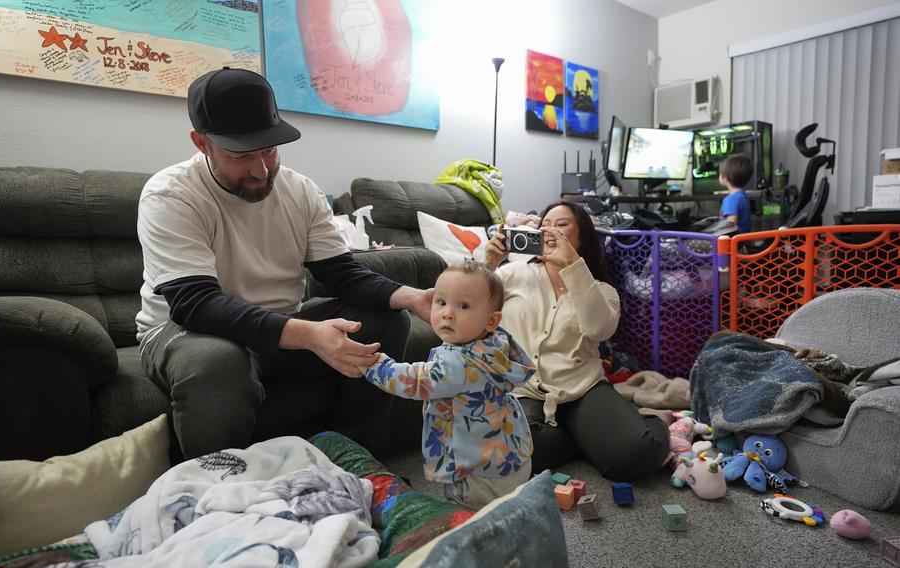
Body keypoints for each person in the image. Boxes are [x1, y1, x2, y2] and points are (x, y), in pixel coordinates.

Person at [135, 67, 431, 460]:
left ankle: (352, 460)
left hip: (278, 323)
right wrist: (309, 334)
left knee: (389, 320)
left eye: (270, 151)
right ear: (202, 143)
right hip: (185, 331)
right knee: (218, 362)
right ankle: (216, 494)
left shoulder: (301, 190)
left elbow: (342, 275)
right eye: (241, 156)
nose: (261, 170)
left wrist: (413, 297)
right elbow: (195, 304)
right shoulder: (170, 196)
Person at [484, 200, 670, 481]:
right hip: (525, 389)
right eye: (544, 225)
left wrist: (571, 264)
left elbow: (599, 329)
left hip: (583, 388)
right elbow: (469, 310)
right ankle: (587, 439)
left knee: (637, 455)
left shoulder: (601, 290)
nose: (550, 232)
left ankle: (653, 419)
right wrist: (487, 264)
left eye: (561, 226)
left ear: (581, 237)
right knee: (506, 454)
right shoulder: (512, 274)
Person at [359, 260, 535, 509]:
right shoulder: (497, 342)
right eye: (441, 302)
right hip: (508, 450)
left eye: (463, 306)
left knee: (469, 515)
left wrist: (374, 365)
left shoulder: (457, 363)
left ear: (491, 320)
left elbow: (414, 381)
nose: (448, 313)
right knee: (508, 506)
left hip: (476, 467)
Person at [719, 154, 754, 234]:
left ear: (725, 177)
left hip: (733, 244)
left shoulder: (731, 199)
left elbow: (730, 226)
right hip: (743, 241)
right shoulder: (742, 195)